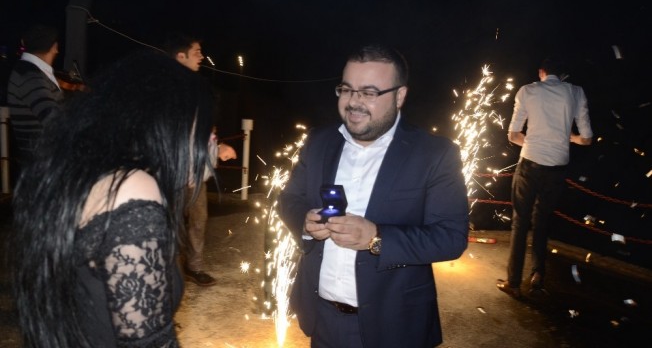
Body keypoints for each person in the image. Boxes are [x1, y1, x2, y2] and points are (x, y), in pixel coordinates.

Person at [11, 50, 217, 346]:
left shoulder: (91, 177)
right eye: (204, 129)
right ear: (168, 123)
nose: (210, 141)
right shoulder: (132, 190)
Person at [278, 44, 469, 347]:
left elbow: (450, 238)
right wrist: (304, 222)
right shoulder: (318, 141)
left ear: (399, 96)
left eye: (369, 92)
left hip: (394, 326)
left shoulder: (434, 154)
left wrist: (376, 238)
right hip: (321, 320)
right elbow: (289, 199)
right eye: (346, 89)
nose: (354, 102)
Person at [497, 57, 593, 298]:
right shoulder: (576, 92)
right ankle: (538, 275)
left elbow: (513, 135)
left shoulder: (527, 91)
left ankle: (513, 282)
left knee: (520, 222)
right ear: (562, 75)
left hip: (530, 164)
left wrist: (533, 143)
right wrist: (569, 138)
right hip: (557, 169)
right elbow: (587, 139)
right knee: (542, 221)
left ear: (542, 72)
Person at [163, 32, 237, 286]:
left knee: (198, 221)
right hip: (175, 175)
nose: (202, 57)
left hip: (197, 173)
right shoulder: (168, 91)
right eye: (196, 52)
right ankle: (168, 274)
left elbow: (203, 132)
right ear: (180, 56)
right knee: (171, 224)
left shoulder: (194, 89)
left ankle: (193, 268)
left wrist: (218, 146)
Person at [6, 24, 63, 174]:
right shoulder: (30, 76)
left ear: (24, 42)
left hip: (41, 160)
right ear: (55, 47)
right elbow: (52, 119)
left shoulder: (29, 71)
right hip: (42, 163)